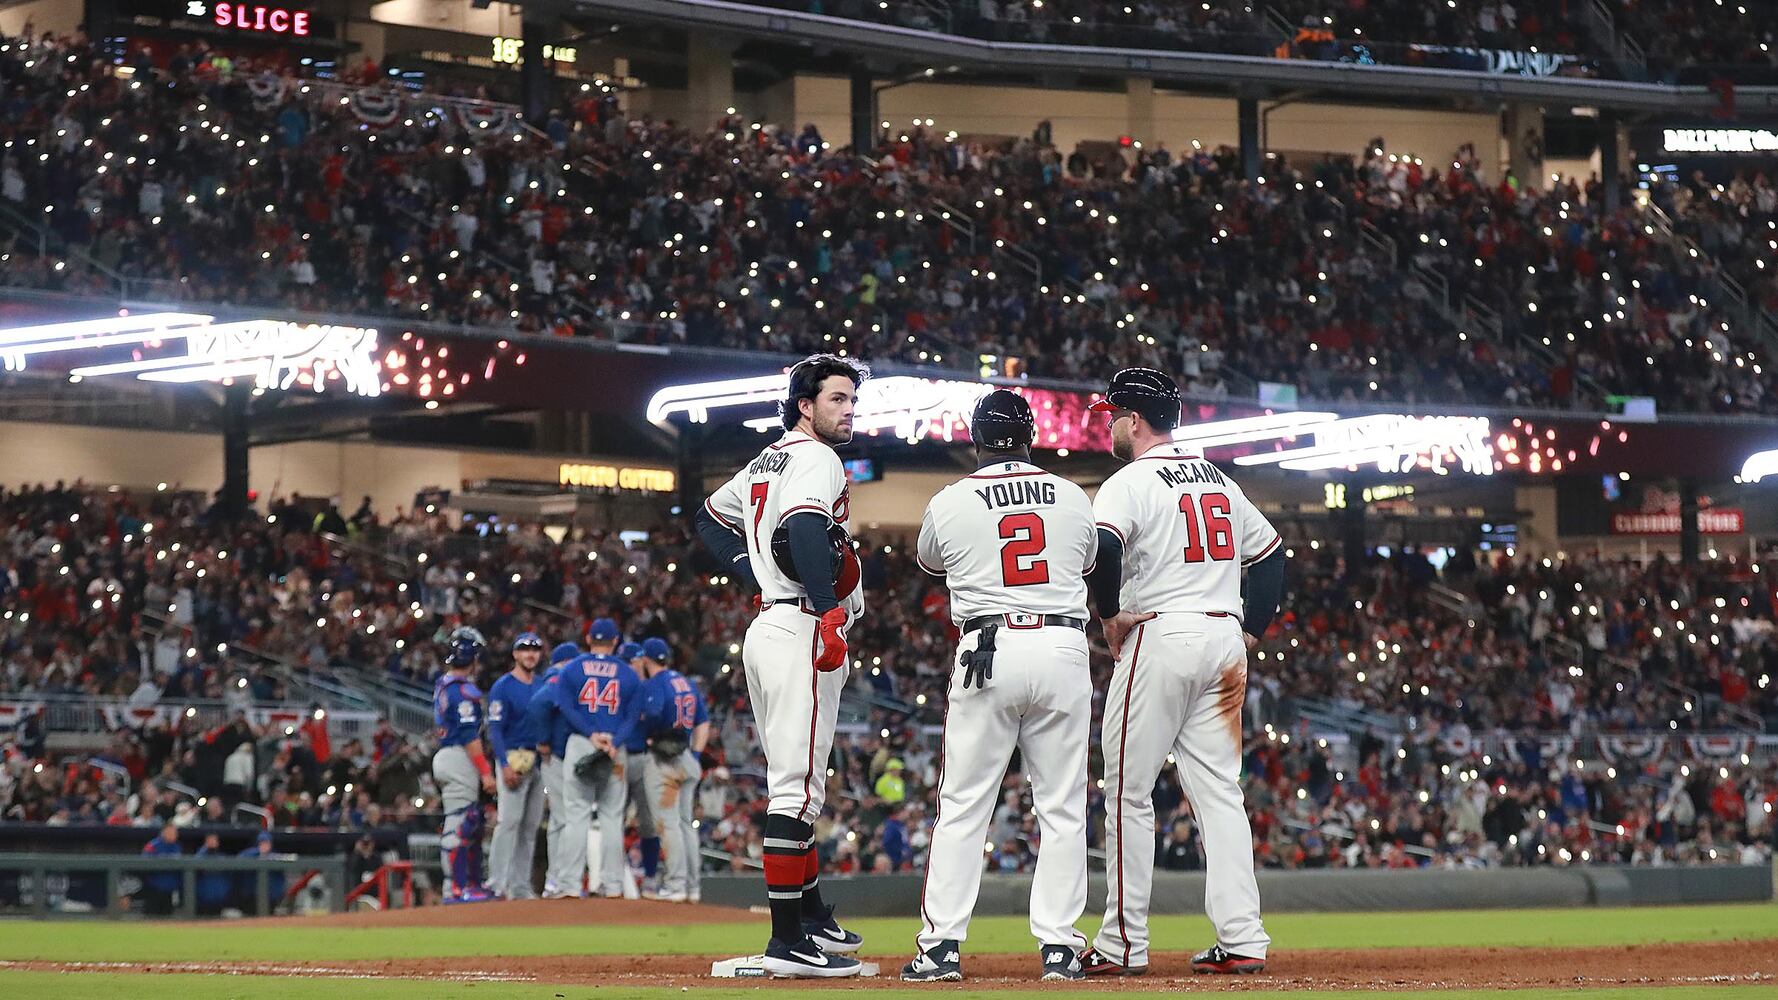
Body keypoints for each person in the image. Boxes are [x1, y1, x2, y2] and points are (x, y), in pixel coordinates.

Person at [1080, 368, 1287, 976]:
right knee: (1220, 794)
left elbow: (1106, 549)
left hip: (1162, 634)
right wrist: (1252, 629)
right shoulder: (1219, 479)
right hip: (1223, 637)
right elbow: (1270, 556)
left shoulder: (1130, 480)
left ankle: (1122, 943)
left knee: (1127, 790)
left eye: (1113, 416)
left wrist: (1109, 616)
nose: (1110, 426)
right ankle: (1243, 937)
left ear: (1135, 420)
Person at [901, 390, 1101, 983]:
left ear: (977, 439)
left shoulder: (951, 499)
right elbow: (1088, 563)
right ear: (1031, 437)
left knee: (963, 806)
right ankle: (1059, 948)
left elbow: (932, 562)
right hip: (1062, 645)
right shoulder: (1072, 495)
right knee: (1062, 808)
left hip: (988, 648)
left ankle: (940, 948)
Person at [696, 353, 869, 978]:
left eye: (852, 400)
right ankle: (787, 939)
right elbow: (802, 528)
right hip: (800, 627)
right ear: (805, 405)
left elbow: (709, 518)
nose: (849, 410)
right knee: (799, 789)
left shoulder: (768, 457)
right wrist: (827, 611)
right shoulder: (818, 458)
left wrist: (753, 571)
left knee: (792, 782)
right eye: (837, 399)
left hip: (769, 626)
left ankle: (812, 917)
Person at [553, 618, 640, 898]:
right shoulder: (628, 673)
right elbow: (633, 716)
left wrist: (591, 734)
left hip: (582, 741)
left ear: (589, 639)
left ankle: (569, 884)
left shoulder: (572, 668)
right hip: (615, 745)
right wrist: (615, 741)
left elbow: (564, 705)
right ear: (615, 641)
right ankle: (613, 886)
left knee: (576, 815)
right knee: (612, 817)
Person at [634, 636, 710, 904]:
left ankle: (675, 884)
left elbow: (653, 713)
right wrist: (696, 753)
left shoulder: (655, 683)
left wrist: (649, 734)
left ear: (646, 659)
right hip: (686, 755)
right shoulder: (685, 682)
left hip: (664, 759)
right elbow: (703, 722)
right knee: (686, 824)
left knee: (668, 824)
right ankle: (692, 887)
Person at [432, 625, 496, 904]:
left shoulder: (444, 683)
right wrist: (486, 772)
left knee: (470, 821)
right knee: (461, 822)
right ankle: (456, 888)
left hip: (448, 754)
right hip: (459, 756)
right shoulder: (464, 691)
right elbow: (470, 736)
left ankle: (467, 884)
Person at [487, 631, 546, 899]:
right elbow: (495, 729)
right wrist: (503, 764)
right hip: (513, 756)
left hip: (538, 761)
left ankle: (520, 885)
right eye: (525, 650)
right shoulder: (503, 686)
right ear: (515, 654)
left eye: (534, 650)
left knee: (530, 826)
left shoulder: (541, 684)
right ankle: (497, 882)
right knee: (509, 822)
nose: (530, 655)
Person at [528, 640, 580, 897]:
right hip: (557, 758)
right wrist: (543, 740)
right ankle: (558, 879)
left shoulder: (559, 678)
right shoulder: (558, 678)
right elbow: (539, 703)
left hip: (562, 758)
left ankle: (556, 879)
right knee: (565, 819)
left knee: (563, 819)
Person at [618, 640, 661, 893]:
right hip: (620, 757)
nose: (631, 666)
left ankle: (651, 877)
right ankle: (613, 875)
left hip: (645, 759)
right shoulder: (619, 688)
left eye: (633, 661)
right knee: (613, 820)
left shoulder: (649, 689)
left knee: (648, 822)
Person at [138, 822, 183, 915]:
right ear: (164, 833)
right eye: (171, 832)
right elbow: (144, 865)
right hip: (154, 889)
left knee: (167, 917)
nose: (175, 835)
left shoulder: (177, 846)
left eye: (175, 833)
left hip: (170, 890)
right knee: (151, 916)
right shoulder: (153, 845)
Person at [238, 831, 286, 915]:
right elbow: (240, 858)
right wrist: (258, 852)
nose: (264, 845)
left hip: (271, 898)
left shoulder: (276, 856)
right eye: (262, 843)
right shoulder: (250, 854)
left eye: (267, 843)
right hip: (252, 897)